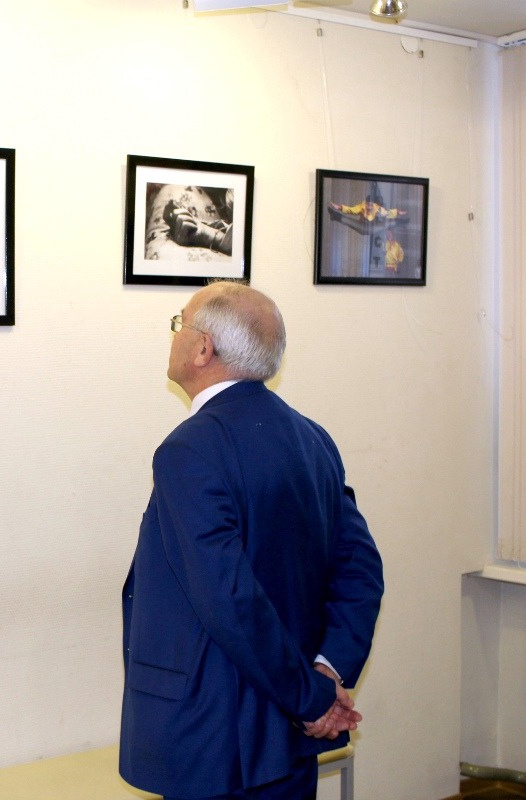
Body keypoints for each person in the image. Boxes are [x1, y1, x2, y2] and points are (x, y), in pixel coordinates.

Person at [120, 282, 384, 800]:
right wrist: (326, 670)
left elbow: (229, 598)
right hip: (286, 740)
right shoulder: (312, 438)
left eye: (179, 324)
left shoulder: (189, 450)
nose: (174, 336)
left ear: (203, 348)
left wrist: (312, 698)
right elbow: (361, 569)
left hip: (215, 739)